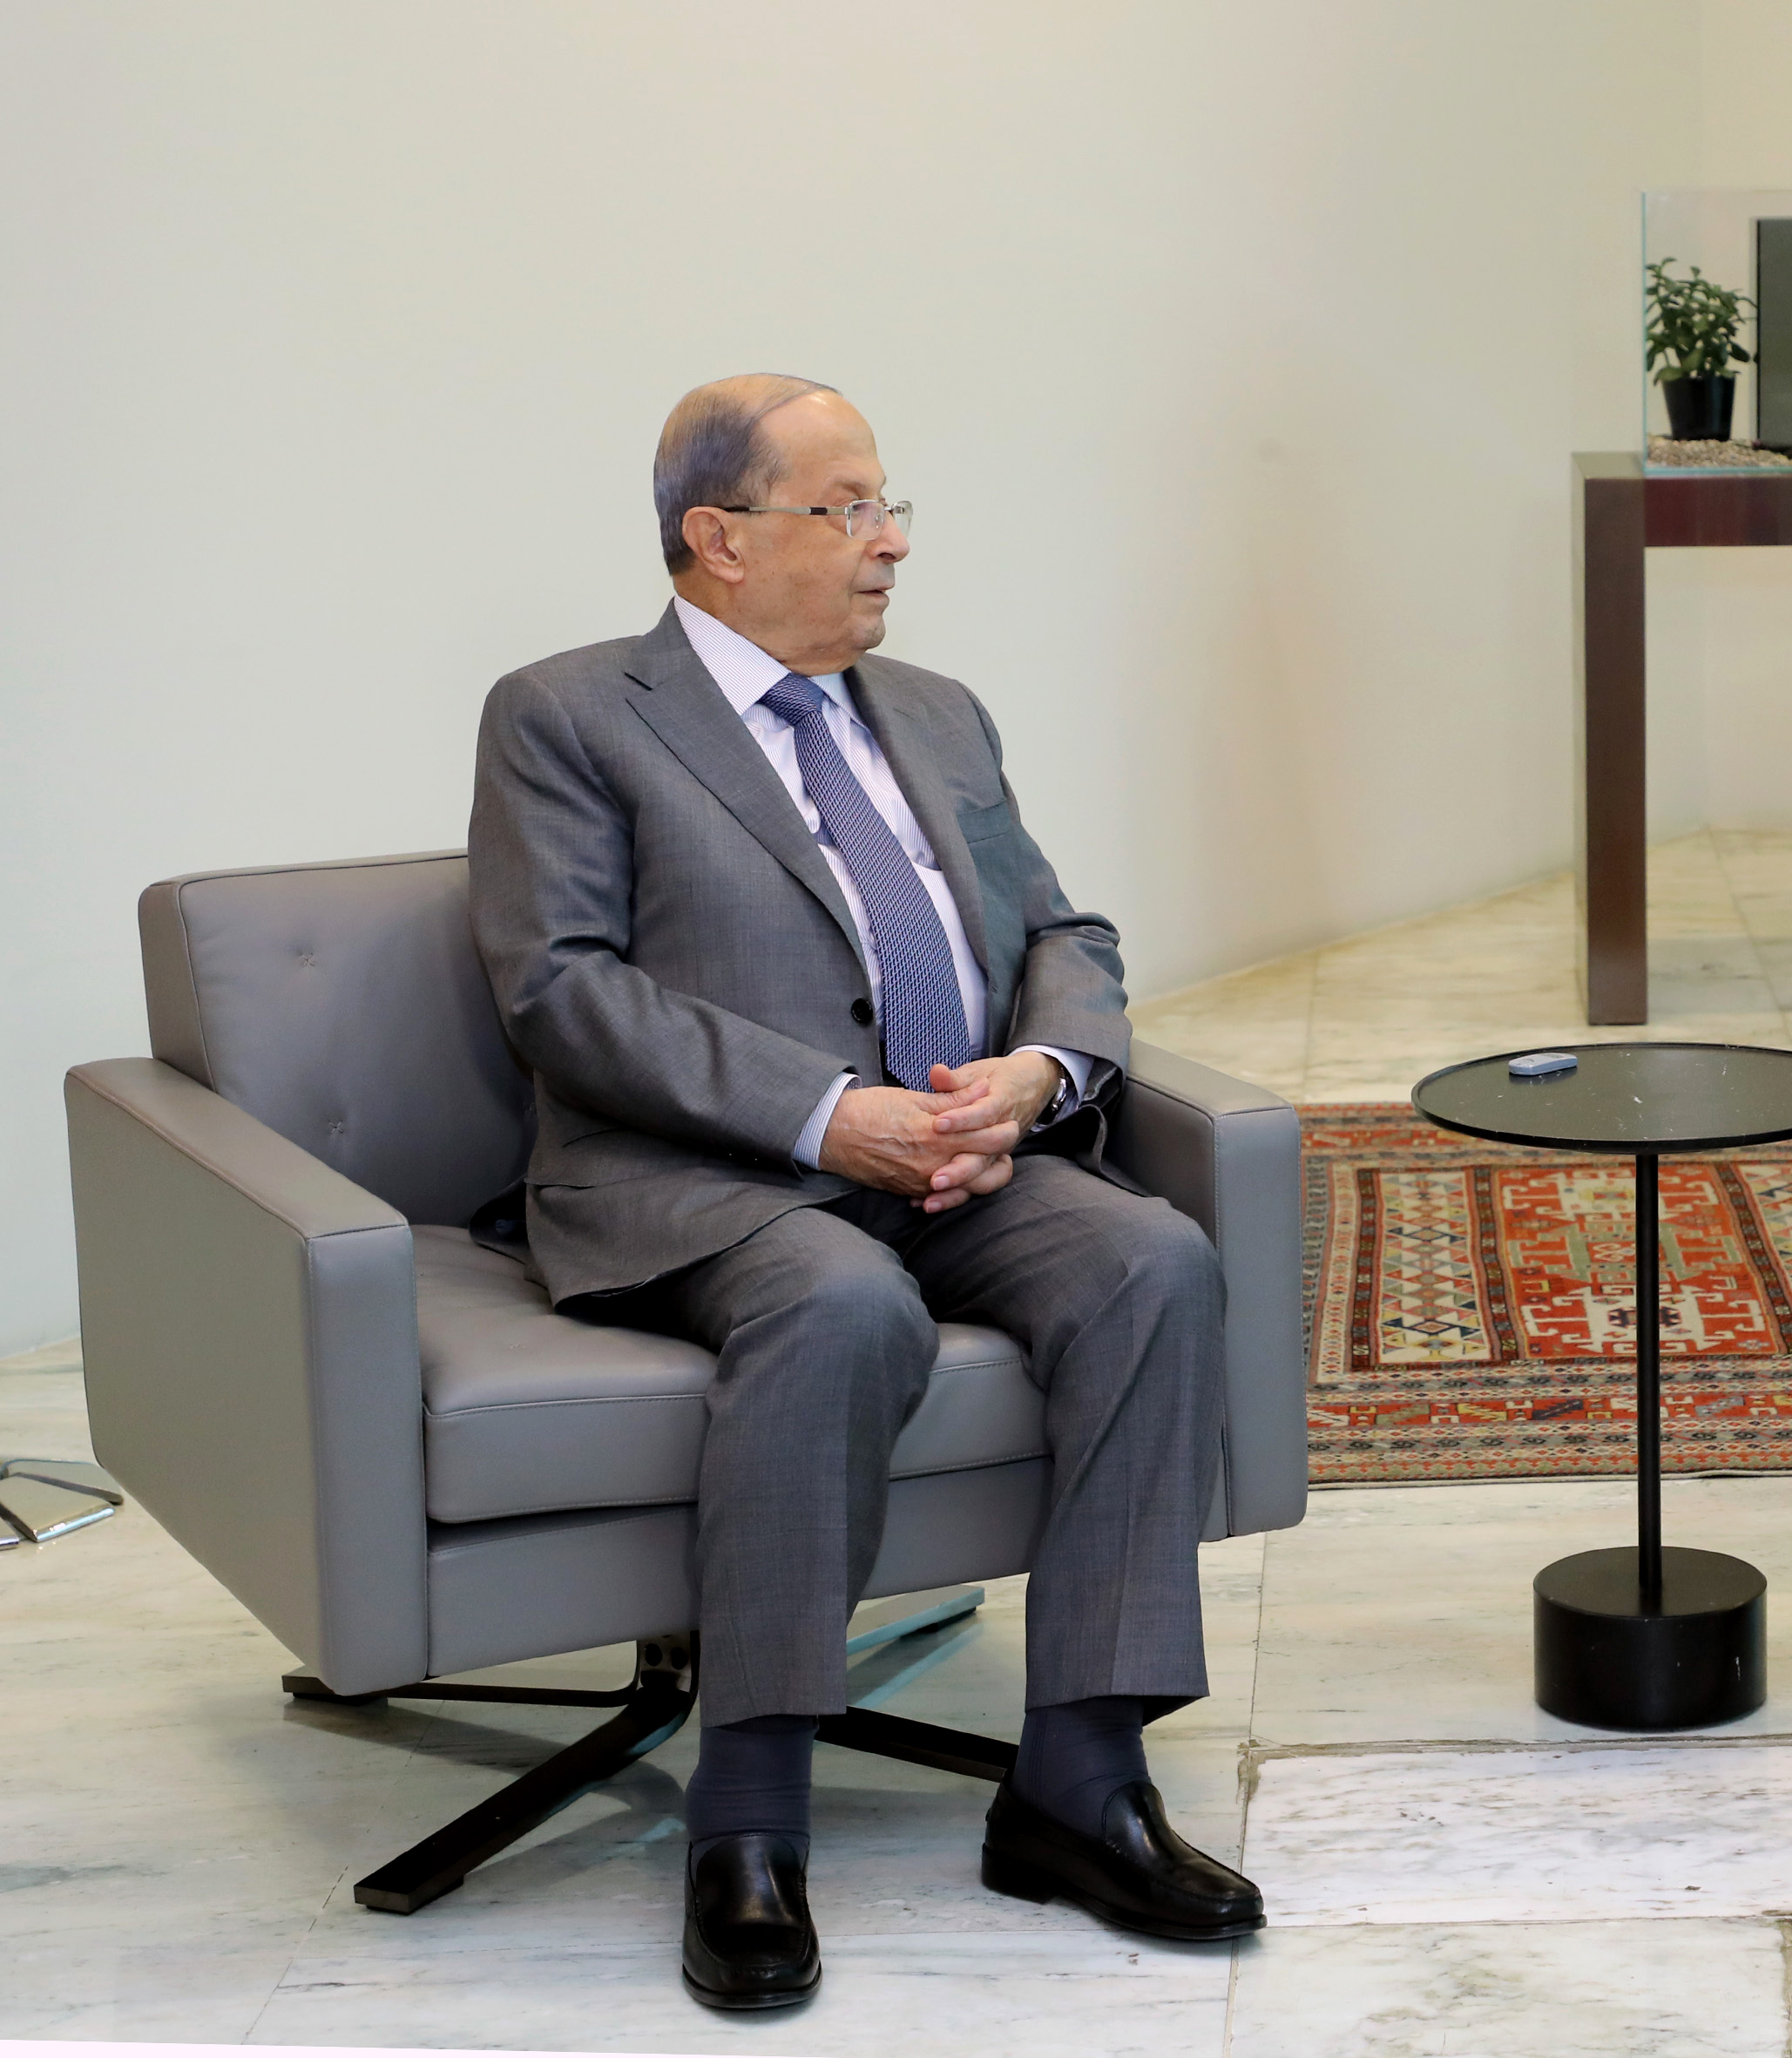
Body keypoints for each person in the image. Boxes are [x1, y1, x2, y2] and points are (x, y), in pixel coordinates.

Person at [469, 375, 1258, 2009]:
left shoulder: (940, 711)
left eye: (891, 506)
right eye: (847, 509)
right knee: (841, 1305)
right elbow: (563, 988)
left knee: (1154, 1263)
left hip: (963, 1151)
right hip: (717, 1177)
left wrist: (1040, 1072)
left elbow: (1064, 931)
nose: (890, 541)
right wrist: (832, 1120)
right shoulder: (569, 712)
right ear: (719, 539)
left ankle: (1081, 1780)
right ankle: (748, 1817)